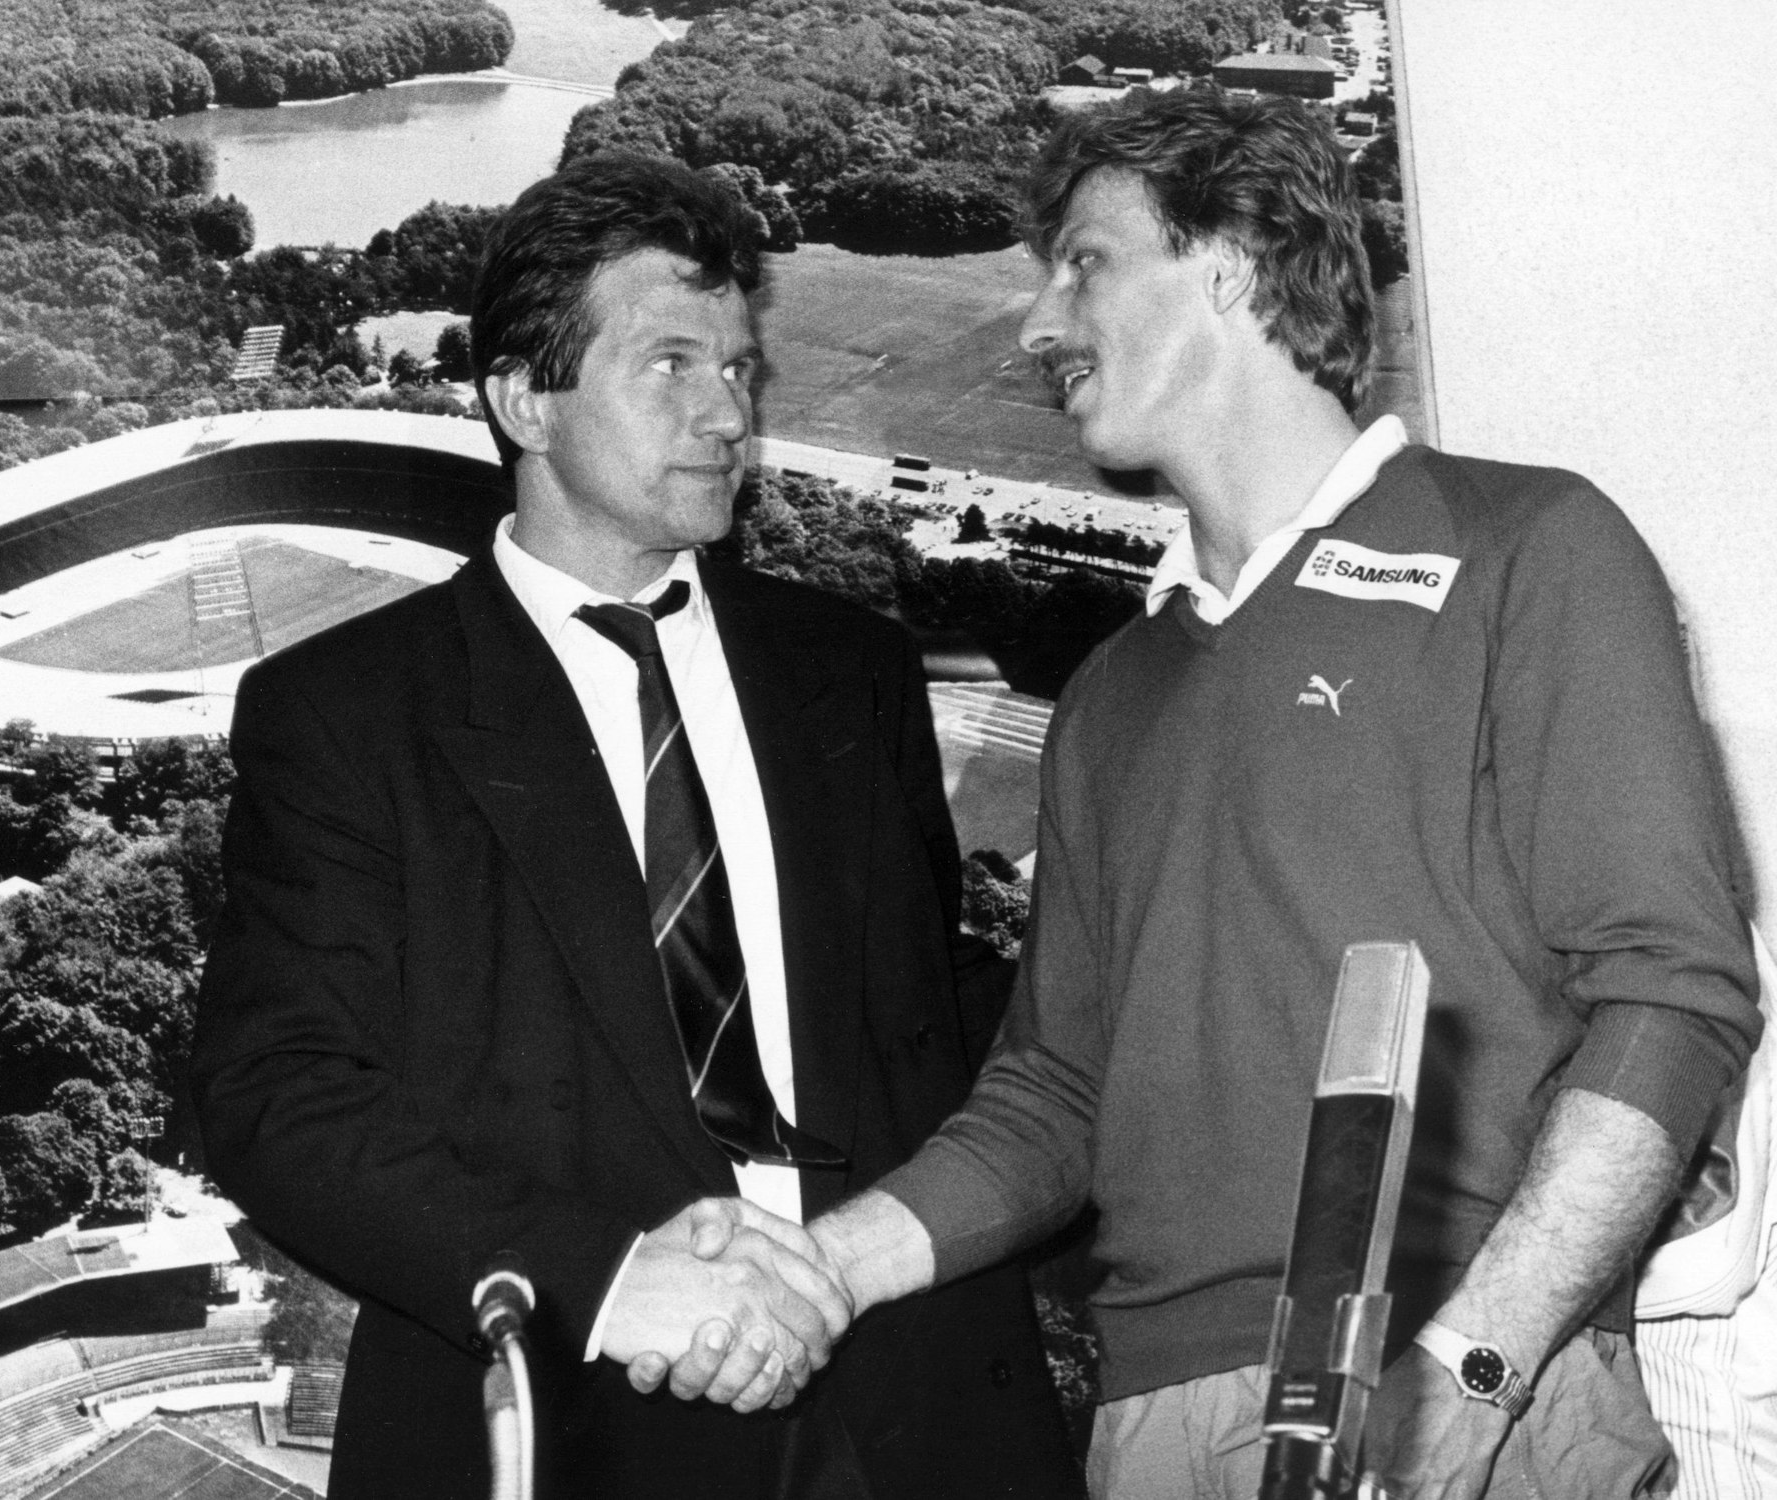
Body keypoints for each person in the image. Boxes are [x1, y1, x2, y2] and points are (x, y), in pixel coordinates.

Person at [661, 88, 1763, 1499]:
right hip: (1159, 1421)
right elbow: (1055, 1099)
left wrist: (1477, 1365)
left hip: (1475, 1392)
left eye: (1084, 263)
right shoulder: (1115, 696)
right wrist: (815, 1269)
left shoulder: (1531, 548)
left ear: (1233, 261)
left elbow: (1672, 998)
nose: (1038, 323)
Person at [189, 153, 1080, 1500]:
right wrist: (602, 1286)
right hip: (575, 1419)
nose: (727, 412)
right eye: (671, 365)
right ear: (520, 399)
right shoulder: (350, 714)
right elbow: (279, 1096)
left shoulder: (856, 673)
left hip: (920, 1415)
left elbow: (929, 1012)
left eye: (738, 369)